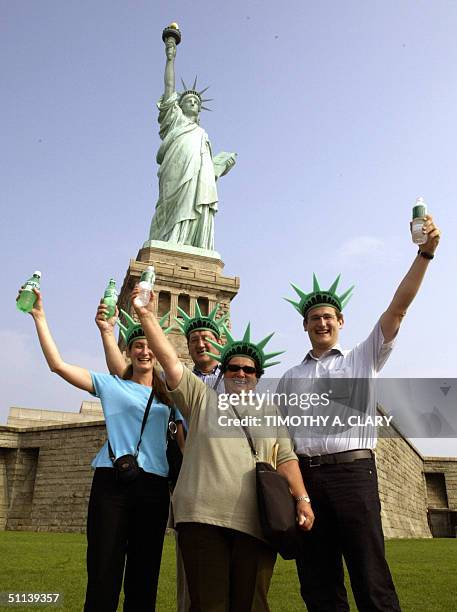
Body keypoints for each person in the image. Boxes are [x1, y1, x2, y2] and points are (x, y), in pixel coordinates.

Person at [277, 215, 441, 611]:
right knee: (318, 582)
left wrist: (424, 255)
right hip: (308, 481)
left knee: (371, 577)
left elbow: (397, 310)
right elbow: (280, 437)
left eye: (327, 317)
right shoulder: (288, 378)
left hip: (354, 476)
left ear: (340, 322)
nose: (321, 322)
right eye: (314, 318)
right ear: (304, 325)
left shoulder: (361, 357)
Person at [131, 287, 315, 611]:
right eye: (233, 368)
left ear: (258, 376)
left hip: (257, 520)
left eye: (248, 370)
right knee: (207, 605)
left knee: (252, 605)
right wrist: (146, 314)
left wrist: (302, 499)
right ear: (223, 373)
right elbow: (170, 361)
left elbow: (286, 459)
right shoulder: (201, 399)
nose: (240, 374)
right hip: (202, 519)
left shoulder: (270, 411)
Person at [22, 288, 176, 611]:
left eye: (149, 346)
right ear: (130, 352)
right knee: (103, 575)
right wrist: (39, 317)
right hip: (112, 484)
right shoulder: (112, 386)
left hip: (154, 488)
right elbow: (58, 365)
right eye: (138, 346)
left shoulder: (170, 396)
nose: (145, 351)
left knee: (144, 580)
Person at [95, 299, 227, 612]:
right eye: (193, 339)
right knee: (186, 564)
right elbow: (124, 377)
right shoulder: (174, 384)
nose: (200, 344)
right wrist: (106, 332)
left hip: (227, 471)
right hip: (181, 476)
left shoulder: (234, 379)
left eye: (207, 338)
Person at [146, 32, 236, 250]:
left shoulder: (202, 134)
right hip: (175, 171)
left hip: (199, 176)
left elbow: (208, 167)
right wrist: (170, 58)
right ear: (180, 105)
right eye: (188, 100)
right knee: (170, 205)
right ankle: (170, 241)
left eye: (196, 101)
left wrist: (218, 165)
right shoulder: (174, 119)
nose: (193, 102)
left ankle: (194, 243)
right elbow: (169, 88)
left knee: (198, 200)